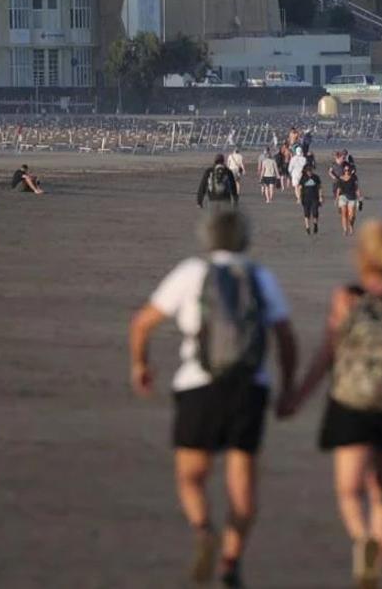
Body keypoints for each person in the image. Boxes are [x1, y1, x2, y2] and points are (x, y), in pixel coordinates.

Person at [128, 211, 298, 587]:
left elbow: (142, 323)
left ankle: (204, 531)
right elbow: (285, 336)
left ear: (206, 238)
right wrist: (288, 388)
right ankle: (230, 562)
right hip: (250, 388)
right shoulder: (259, 276)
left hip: (198, 385)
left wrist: (140, 365)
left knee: (191, 476)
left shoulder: (191, 273)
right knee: (243, 485)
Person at [281, 220, 382, 588]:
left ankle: (363, 540)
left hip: (350, 403)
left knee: (349, 490)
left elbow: (327, 354)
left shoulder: (345, 297)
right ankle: (379, 564)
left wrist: (297, 396)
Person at [336, 164, 363, 236]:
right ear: (343, 171)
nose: (347, 171)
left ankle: (351, 226)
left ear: (350, 170)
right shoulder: (340, 178)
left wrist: (360, 198)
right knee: (344, 214)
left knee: (352, 215)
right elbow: (338, 190)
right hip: (343, 197)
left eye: (348, 170)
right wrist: (337, 199)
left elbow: (357, 188)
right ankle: (345, 229)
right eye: (345, 170)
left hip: (352, 197)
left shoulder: (353, 178)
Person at [298, 163, 325, 235]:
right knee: (306, 213)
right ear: (306, 171)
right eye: (308, 171)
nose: (309, 172)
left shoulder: (316, 177)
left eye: (310, 171)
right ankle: (307, 227)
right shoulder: (303, 178)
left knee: (315, 212)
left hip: (314, 198)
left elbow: (319, 188)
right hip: (305, 198)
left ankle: (315, 224)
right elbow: (300, 188)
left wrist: (320, 197)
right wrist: (299, 198)